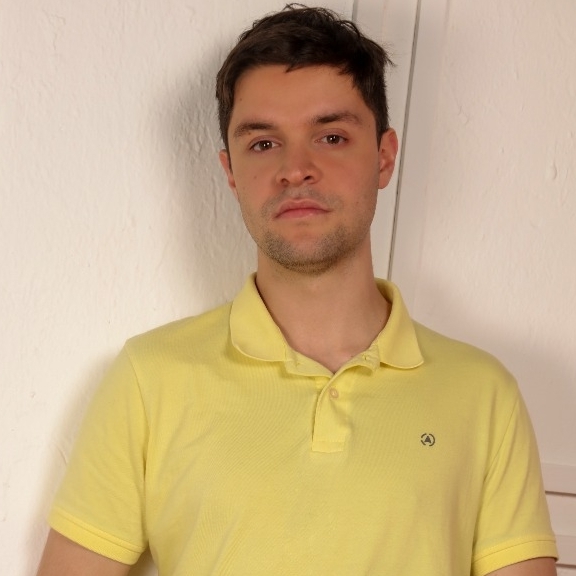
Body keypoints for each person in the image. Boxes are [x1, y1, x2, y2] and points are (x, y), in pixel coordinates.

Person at [36, 4, 558, 575]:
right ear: (230, 171)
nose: (296, 169)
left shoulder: (483, 395)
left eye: (331, 136)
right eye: (264, 144)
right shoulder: (149, 379)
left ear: (384, 157)